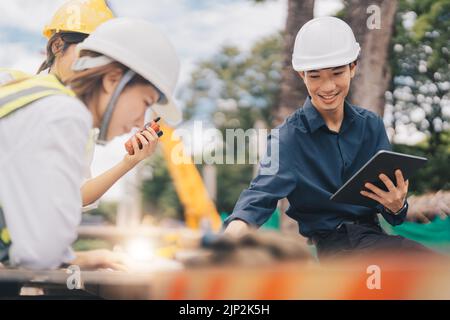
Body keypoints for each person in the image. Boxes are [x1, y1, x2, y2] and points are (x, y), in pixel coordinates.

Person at [223, 17, 432, 260]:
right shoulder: (287, 139)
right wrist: (223, 246)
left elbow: (392, 214)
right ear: (302, 75)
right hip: (337, 251)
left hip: (375, 239)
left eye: (337, 73)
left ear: (353, 68)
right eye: (315, 76)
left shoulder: (371, 125)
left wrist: (397, 206)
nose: (328, 86)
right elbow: (257, 199)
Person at [0, 17, 181, 269]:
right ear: (112, 80)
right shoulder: (67, 115)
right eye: (145, 103)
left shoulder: (40, 98)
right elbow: (39, 252)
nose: (141, 120)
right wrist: (86, 258)